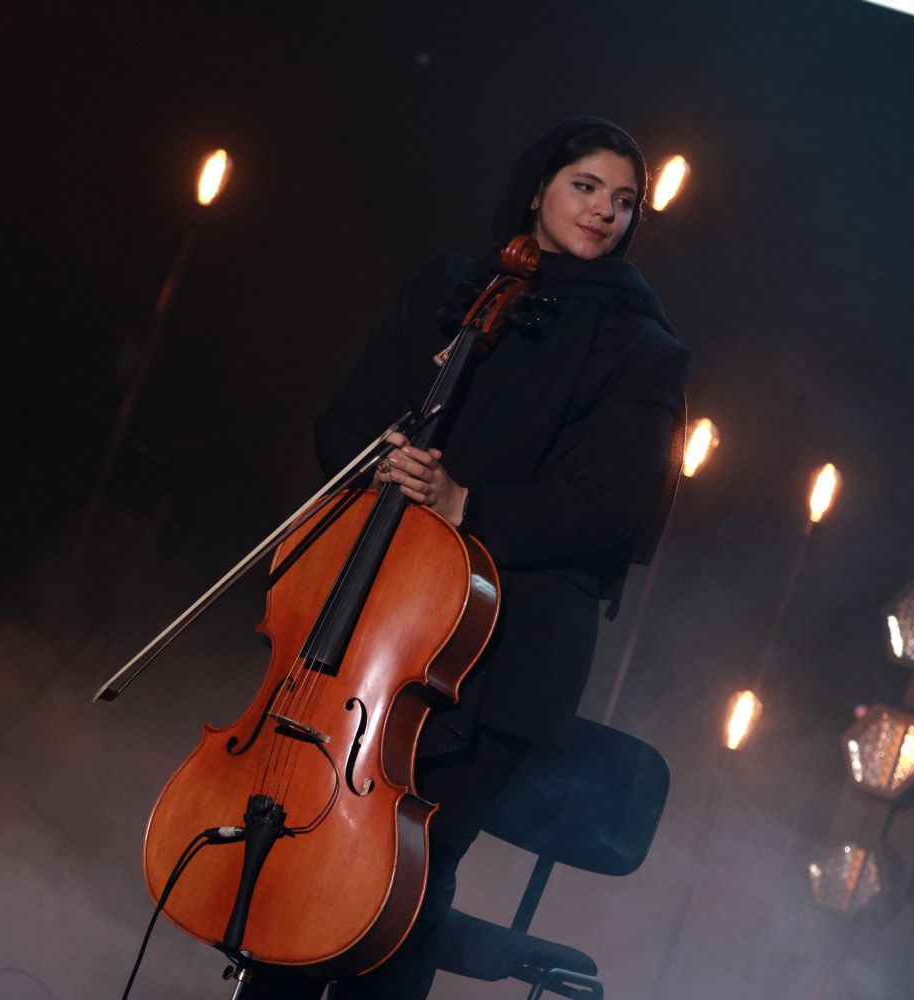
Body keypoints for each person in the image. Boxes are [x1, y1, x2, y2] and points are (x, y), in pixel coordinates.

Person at [243, 117, 689, 999]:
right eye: (586, 187)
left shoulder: (645, 348)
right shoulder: (453, 289)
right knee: (304, 849)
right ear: (538, 188)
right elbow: (346, 418)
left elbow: (610, 508)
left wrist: (465, 504)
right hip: (380, 631)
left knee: (409, 882)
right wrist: (379, 459)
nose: (604, 212)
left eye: (624, 201)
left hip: (504, 656)